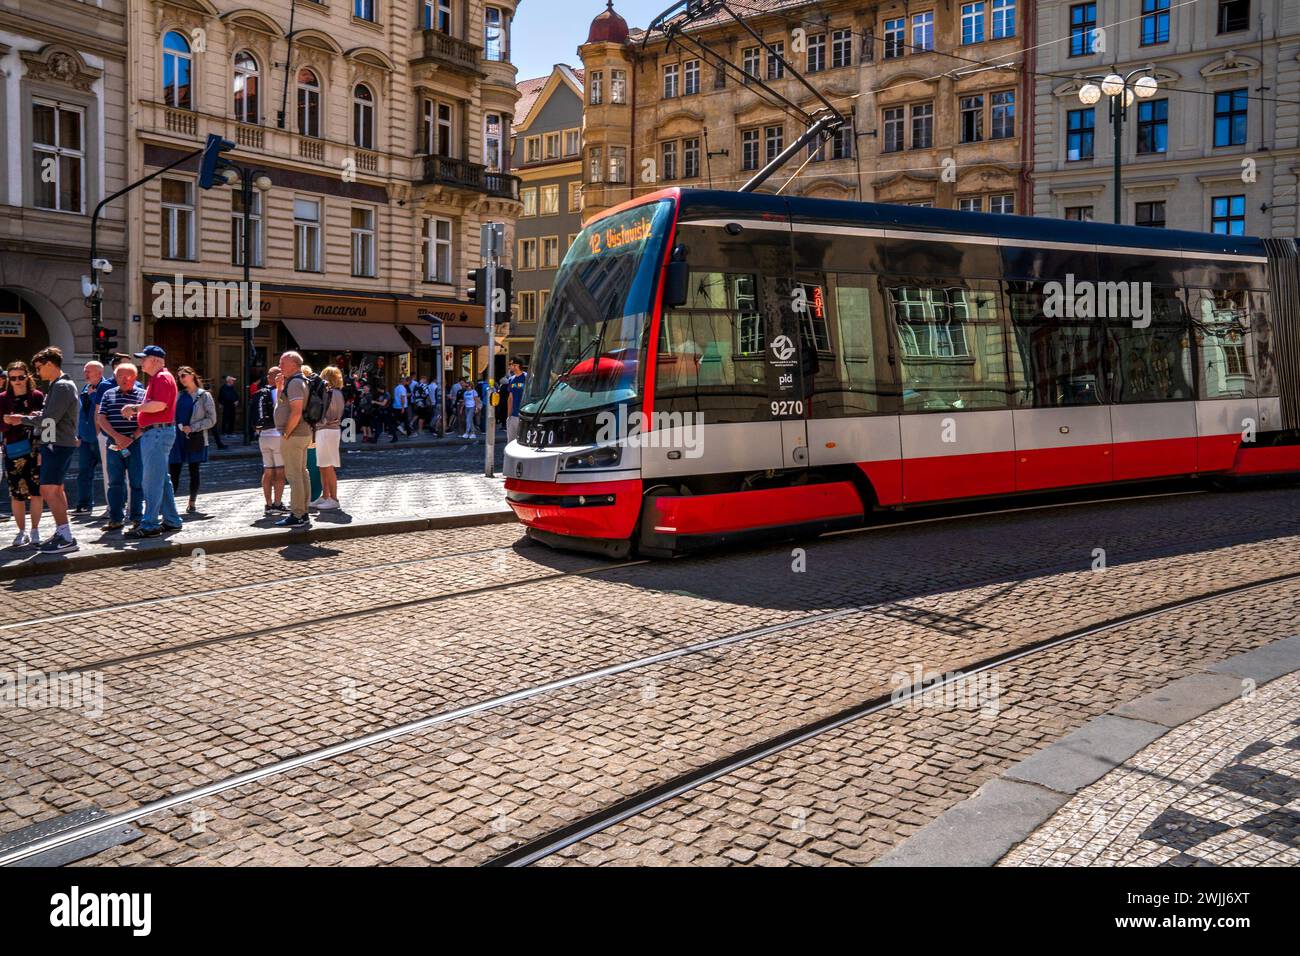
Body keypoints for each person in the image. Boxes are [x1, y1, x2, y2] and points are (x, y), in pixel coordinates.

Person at [16, 347, 80, 552]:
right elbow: (50, 419)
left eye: (39, 367)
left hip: (59, 444)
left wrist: (21, 419)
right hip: (55, 443)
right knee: (56, 489)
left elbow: (50, 420)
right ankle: (63, 533)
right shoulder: (58, 385)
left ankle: (66, 537)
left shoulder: (62, 386)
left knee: (49, 490)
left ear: (50, 364)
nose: (37, 373)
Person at [122, 345, 183, 539]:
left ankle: (149, 524)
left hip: (157, 433)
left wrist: (134, 408)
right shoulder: (160, 378)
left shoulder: (161, 378)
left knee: (152, 482)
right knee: (161, 480)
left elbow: (159, 405)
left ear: (155, 360)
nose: (141, 362)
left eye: (144, 358)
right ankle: (172, 520)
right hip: (157, 432)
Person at [96, 361, 146, 532]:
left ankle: (137, 518)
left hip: (136, 444)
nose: (124, 379)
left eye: (128, 376)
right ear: (115, 377)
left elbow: (147, 420)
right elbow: (102, 418)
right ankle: (116, 518)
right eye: (120, 376)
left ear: (135, 377)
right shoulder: (108, 394)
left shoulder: (143, 395)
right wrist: (117, 437)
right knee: (115, 482)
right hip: (113, 443)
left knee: (137, 482)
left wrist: (131, 438)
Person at [0, 361, 44, 547]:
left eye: (21, 377)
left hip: (35, 449)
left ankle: (35, 530)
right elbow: (1, 426)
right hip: (13, 449)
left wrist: (45, 448)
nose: (17, 381)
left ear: (28, 376)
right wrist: (10, 422)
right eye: (13, 378)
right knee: (16, 494)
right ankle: (21, 531)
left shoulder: (37, 396)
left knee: (36, 492)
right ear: (8, 379)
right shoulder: (2, 398)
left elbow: (46, 422)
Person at [169, 367, 216, 515]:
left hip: (194, 438)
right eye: (179, 377)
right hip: (177, 439)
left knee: (193, 471)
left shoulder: (204, 396)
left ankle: (192, 503)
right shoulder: (177, 395)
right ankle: (169, 504)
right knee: (173, 472)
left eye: (183, 375)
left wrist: (193, 427)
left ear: (192, 375)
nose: (181, 379)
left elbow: (212, 420)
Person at [274, 350, 312, 529]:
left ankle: (297, 514)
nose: (279, 365)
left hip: (295, 435)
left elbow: (296, 412)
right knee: (302, 473)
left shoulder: (296, 383)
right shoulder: (298, 381)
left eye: (283, 362)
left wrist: (287, 433)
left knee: (294, 475)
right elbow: (283, 406)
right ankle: (303, 512)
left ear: (295, 365)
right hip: (302, 434)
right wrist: (280, 388)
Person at [74, 360, 113, 515]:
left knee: (109, 472)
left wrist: (92, 396)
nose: (85, 374)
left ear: (99, 373)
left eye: (88, 371)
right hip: (85, 437)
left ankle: (113, 505)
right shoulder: (85, 388)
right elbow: (82, 413)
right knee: (83, 472)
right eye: (85, 371)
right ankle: (84, 504)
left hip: (101, 436)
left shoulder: (106, 388)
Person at [311, 365, 345, 512]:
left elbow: (322, 413)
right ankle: (326, 496)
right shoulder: (338, 393)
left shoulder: (328, 393)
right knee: (324, 465)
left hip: (326, 429)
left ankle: (333, 498)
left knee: (327, 466)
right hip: (332, 430)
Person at [253, 366, 285, 514]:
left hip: (263, 436)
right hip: (277, 436)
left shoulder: (259, 394)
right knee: (280, 472)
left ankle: (268, 504)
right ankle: (277, 504)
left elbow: (252, 415)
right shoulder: (279, 392)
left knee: (267, 471)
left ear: (268, 377)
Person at [504, 358, 528, 444]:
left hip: (524, 415)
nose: (509, 366)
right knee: (510, 442)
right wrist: (509, 416)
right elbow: (510, 398)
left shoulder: (527, 377)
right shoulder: (511, 379)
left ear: (517, 365)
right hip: (513, 416)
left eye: (510, 364)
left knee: (523, 442)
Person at [217, 375, 239, 439]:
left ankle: (230, 432)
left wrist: (237, 400)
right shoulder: (223, 388)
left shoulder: (232, 387)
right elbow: (224, 397)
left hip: (232, 406)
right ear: (228, 381)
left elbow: (236, 395)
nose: (233, 382)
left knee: (232, 419)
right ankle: (224, 432)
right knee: (225, 419)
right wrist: (233, 401)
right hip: (226, 405)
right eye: (232, 380)